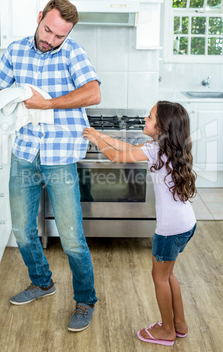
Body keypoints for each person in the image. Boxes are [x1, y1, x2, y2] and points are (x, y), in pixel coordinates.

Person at [0, 0, 101, 332]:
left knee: (72, 237)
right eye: (48, 30)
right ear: (39, 18)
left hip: (60, 153)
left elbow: (93, 93)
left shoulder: (73, 53)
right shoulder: (16, 50)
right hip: (24, 150)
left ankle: (85, 300)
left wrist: (48, 103)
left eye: (59, 36)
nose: (50, 40)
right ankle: (42, 282)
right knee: (20, 228)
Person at [83, 101, 197, 346]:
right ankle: (179, 325)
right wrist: (99, 134)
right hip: (187, 223)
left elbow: (115, 156)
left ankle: (166, 330)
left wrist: (95, 141)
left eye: (149, 117)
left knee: (159, 278)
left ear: (161, 127)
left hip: (169, 231)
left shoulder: (155, 151)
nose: (145, 119)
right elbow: (127, 147)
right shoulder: (167, 148)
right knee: (168, 275)